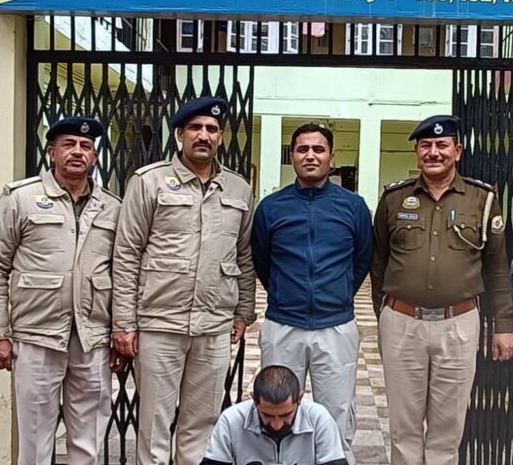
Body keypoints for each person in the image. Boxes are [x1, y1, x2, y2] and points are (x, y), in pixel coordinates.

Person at [111, 97, 256, 465]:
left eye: (212, 129)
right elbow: (127, 253)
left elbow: (244, 255)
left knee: (202, 424)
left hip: (214, 326)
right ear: (179, 134)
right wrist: (124, 322)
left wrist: (244, 311)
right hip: (159, 323)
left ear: (220, 137)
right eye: (195, 128)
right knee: (154, 425)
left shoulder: (238, 189)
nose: (203, 135)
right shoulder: (149, 181)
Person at [371, 114, 513, 465]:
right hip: (402, 323)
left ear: (458, 151)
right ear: (416, 152)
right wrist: (386, 314)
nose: (433, 152)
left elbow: (497, 267)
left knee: (447, 431)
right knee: (403, 430)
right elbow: (378, 262)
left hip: (458, 325)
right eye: (425, 145)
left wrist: (504, 325)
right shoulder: (394, 198)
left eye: (442, 145)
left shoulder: (482, 200)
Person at [0, 116, 123, 465]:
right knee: (35, 441)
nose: (77, 152)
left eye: (86, 146)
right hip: (36, 336)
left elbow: (123, 273)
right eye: (68, 144)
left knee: (89, 440)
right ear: (51, 152)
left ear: (95, 157)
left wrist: (121, 329)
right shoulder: (21, 199)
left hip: (92, 339)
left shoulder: (112, 206)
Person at [251, 123, 372, 465]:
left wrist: (337, 295)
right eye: (302, 149)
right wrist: (285, 293)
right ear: (292, 156)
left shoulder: (354, 207)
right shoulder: (271, 207)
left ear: (332, 157)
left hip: (336, 327)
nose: (310, 156)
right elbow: (262, 260)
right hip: (283, 326)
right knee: (277, 410)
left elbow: (362, 260)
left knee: (336, 412)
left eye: (319, 149)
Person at [200, 365, 348, 465]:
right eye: (267, 415)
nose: (277, 425)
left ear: (299, 399)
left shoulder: (319, 418)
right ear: (254, 400)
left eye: (286, 415)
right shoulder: (231, 419)